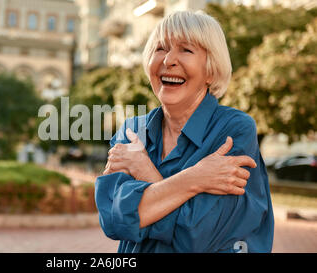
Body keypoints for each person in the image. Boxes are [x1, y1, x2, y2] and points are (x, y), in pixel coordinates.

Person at [95, 10, 274, 253]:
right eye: (161, 48)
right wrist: (196, 178)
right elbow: (114, 221)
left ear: (210, 69)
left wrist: (145, 172)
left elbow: (197, 238)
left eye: (186, 50)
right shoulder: (131, 131)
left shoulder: (233, 131)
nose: (168, 60)